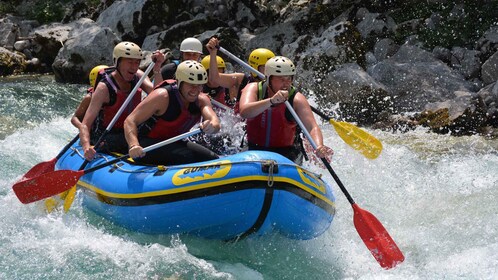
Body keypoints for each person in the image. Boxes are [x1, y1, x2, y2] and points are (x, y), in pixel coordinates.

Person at [238, 56, 333, 164]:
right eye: (281, 79)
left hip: (287, 152)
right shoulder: (253, 88)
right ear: (269, 79)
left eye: (289, 79)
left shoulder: (297, 99)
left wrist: (319, 145)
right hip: (253, 148)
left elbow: (312, 127)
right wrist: (271, 101)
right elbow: (244, 112)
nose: (286, 84)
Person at [79, 41, 165, 161]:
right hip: (106, 136)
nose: (134, 67)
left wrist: (157, 68)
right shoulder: (104, 88)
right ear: (117, 62)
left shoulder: (139, 76)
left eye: (137, 62)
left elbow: (159, 94)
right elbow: (85, 124)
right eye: (130, 62)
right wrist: (86, 146)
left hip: (130, 130)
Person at [124, 60, 221, 165]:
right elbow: (130, 121)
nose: (195, 90)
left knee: (213, 159)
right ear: (179, 82)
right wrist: (134, 145)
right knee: (186, 156)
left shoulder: (202, 99)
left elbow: (214, 122)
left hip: (172, 142)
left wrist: (211, 127)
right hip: (146, 145)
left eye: (199, 85)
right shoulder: (162, 96)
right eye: (191, 84)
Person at [205, 37, 275, 111]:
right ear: (254, 67)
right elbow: (214, 79)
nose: (269, 71)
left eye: (272, 68)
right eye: (265, 67)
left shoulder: (277, 82)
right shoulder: (241, 80)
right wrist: (213, 53)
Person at [71, 65, 108, 130]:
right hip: (94, 132)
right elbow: (74, 118)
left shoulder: (115, 93)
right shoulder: (89, 98)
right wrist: (83, 128)